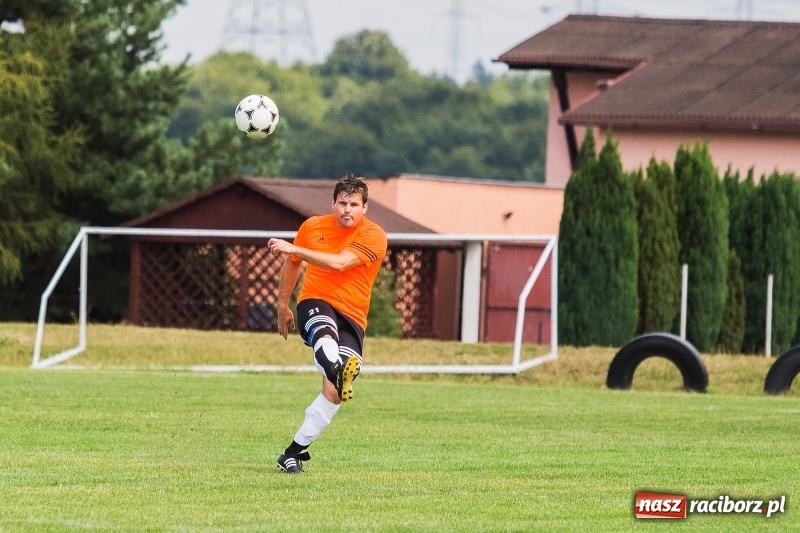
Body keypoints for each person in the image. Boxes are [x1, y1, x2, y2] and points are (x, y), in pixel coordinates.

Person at [267, 175, 387, 474]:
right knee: (325, 335)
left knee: (334, 392)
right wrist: (283, 304)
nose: (348, 210)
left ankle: (292, 453)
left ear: (365, 208)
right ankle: (336, 370)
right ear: (333, 204)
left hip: (354, 316)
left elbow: (340, 262)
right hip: (315, 300)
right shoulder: (312, 227)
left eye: (354, 205)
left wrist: (293, 249)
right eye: (343, 203)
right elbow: (292, 265)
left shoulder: (374, 235)